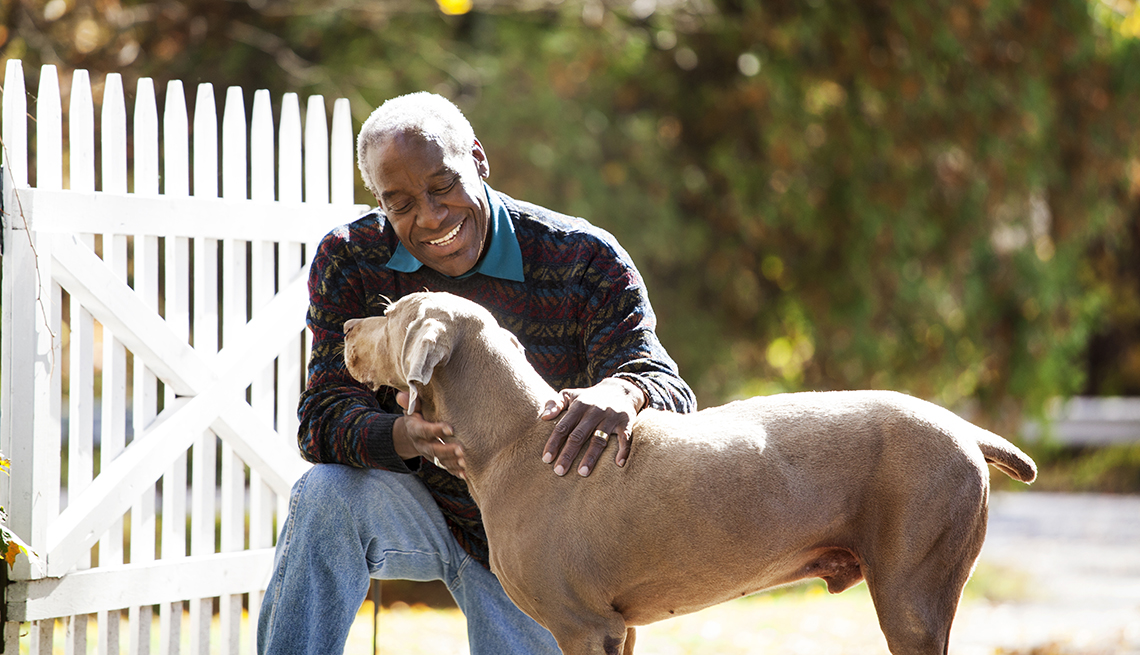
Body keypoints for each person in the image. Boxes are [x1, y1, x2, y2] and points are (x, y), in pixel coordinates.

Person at [256, 92, 696, 655]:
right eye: (401, 203)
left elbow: (669, 389)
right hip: (420, 504)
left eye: (443, 186)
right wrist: (404, 438)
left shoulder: (583, 258)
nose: (431, 217)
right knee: (325, 495)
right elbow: (320, 419)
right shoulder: (351, 258)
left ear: (478, 160)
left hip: (540, 535)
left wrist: (624, 391)